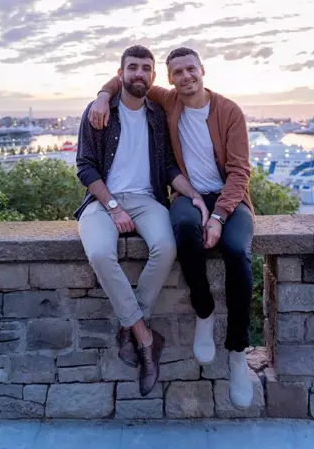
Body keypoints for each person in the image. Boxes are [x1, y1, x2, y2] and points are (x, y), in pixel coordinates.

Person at [88, 47, 255, 409]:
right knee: (183, 233)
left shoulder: (228, 111)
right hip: (188, 195)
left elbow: (241, 173)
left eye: (190, 69)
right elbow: (125, 79)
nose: (186, 77)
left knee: (237, 253)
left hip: (229, 199)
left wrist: (219, 216)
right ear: (169, 79)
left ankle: (239, 353)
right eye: (177, 72)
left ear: (202, 70)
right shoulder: (168, 100)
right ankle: (204, 313)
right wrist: (102, 96)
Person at [75, 45, 208, 397]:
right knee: (102, 254)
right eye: (132, 67)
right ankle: (146, 338)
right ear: (121, 74)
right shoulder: (99, 112)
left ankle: (130, 327)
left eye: (145, 68)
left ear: (153, 76)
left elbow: (166, 166)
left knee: (166, 247)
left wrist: (193, 195)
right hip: (102, 201)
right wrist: (114, 207)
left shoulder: (156, 116)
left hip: (147, 199)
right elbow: (85, 167)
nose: (139, 73)